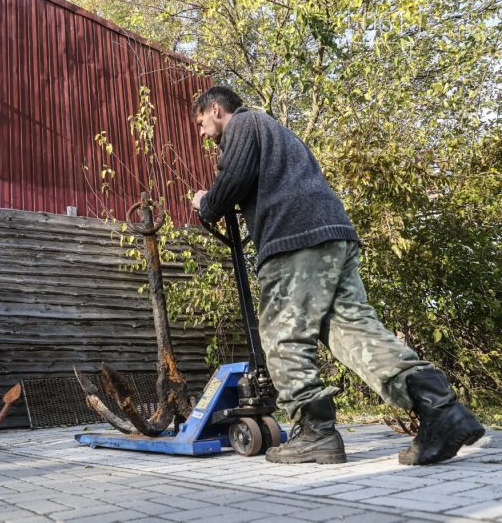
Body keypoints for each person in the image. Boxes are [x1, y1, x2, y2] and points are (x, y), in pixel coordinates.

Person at [190, 85, 485, 465]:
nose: (201, 133)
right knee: (353, 333)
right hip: (332, 236)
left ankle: (316, 433)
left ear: (216, 109)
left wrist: (207, 203)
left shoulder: (246, 123)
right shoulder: (277, 134)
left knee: (283, 333)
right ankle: (441, 410)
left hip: (294, 240)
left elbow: (234, 178)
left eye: (201, 123)